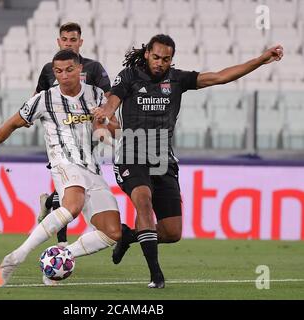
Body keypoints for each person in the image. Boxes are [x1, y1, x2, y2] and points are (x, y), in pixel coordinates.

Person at [93, 34, 284, 288]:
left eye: (166, 59)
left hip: (163, 160)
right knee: (144, 201)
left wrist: (260, 60)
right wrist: (104, 113)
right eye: (156, 56)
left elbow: (220, 76)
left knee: (172, 233)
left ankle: (128, 236)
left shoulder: (178, 79)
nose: (160, 62)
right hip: (131, 156)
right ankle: (156, 276)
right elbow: (112, 101)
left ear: (172, 59)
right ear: (148, 53)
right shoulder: (130, 76)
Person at [0, 49, 121, 287]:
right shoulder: (44, 99)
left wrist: (105, 120)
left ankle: (60, 258)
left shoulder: (96, 95)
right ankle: (16, 256)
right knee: (72, 206)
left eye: (69, 70)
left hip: (92, 169)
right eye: (58, 71)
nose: (63, 76)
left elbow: (116, 132)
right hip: (63, 162)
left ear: (79, 70)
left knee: (113, 233)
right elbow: (12, 123)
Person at [35, 22, 112, 248]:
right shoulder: (50, 70)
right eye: (65, 40)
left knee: (74, 191)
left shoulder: (95, 68)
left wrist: (103, 122)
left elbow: (108, 99)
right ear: (59, 42)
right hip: (62, 139)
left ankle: (50, 202)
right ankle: (61, 244)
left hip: (88, 138)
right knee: (72, 188)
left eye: (73, 39)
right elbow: (38, 98)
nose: (69, 43)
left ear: (81, 42)